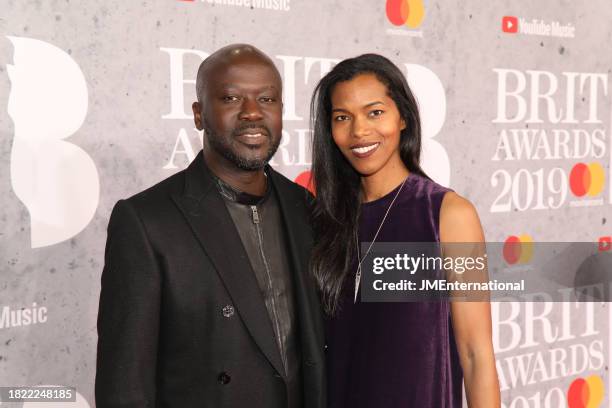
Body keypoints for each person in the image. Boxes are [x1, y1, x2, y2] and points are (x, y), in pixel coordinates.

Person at [96, 44, 325, 408]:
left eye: (266, 99)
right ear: (199, 114)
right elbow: (125, 386)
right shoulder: (146, 221)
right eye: (231, 98)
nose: (252, 113)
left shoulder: (305, 207)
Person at [309, 54, 500, 407]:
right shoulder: (323, 221)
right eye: (342, 118)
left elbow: (476, 355)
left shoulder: (446, 215)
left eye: (375, 112)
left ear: (403, 118)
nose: (359, 131)